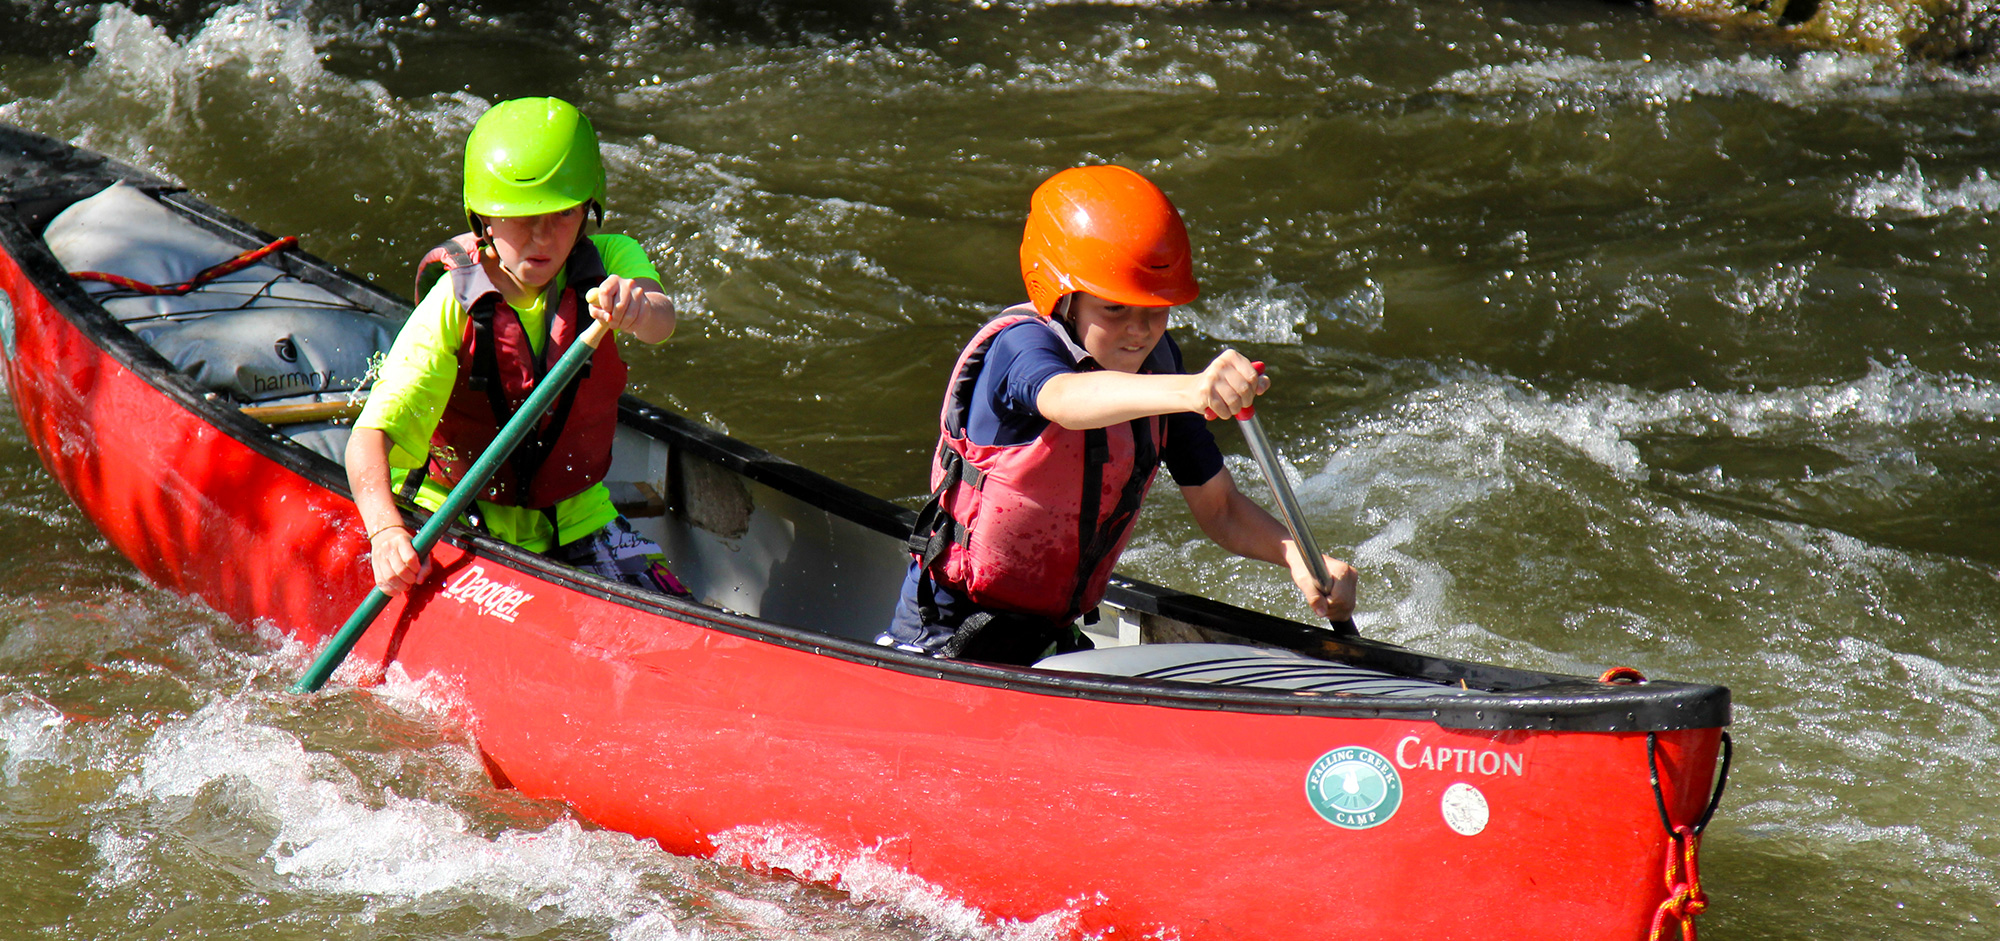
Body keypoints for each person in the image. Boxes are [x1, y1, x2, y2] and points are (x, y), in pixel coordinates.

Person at [881, 165, 1359, 665]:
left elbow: (1221, 509)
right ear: (1062, 297)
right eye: (1114, 310)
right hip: (945, 629)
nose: (1139, 331)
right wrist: (1195, 389)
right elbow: (1065, 400)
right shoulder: (1020, 349)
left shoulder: (1160, 368)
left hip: (1050, 635)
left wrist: (1299, 559)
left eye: (1154, 310)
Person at [347, 96, 684, 597]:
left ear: (588, 209)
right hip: (457, 514)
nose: (542, 237)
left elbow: (662, 321)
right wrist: (386, 531)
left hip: (578, 517)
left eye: (563, 214)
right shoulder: (452, 304)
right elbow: (367, 442)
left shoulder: (612, 259)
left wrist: (637, 308)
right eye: (522, 217)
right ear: (483, 217)